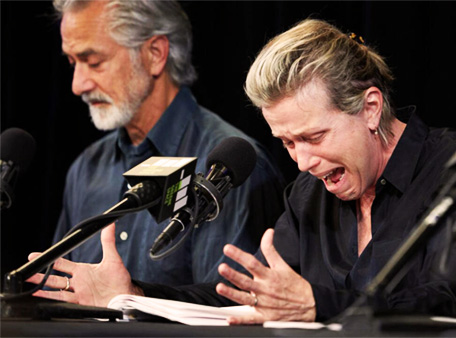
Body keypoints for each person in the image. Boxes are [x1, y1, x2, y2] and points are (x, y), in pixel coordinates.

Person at [28, 19, 456, 324]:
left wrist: (316, 305)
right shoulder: (308, 193)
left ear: (370, 108)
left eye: (314, 137)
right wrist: (134, 294)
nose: (302, 163)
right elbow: (241, 300)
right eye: (287, 143)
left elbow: (454, 302)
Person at [45, 0, 286, 288]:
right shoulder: (85, 169)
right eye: (73, 63)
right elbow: (58, 293)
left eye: (94, 62)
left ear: (155, 54)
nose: (77, 84)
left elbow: (224, 311)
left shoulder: (229, 170)